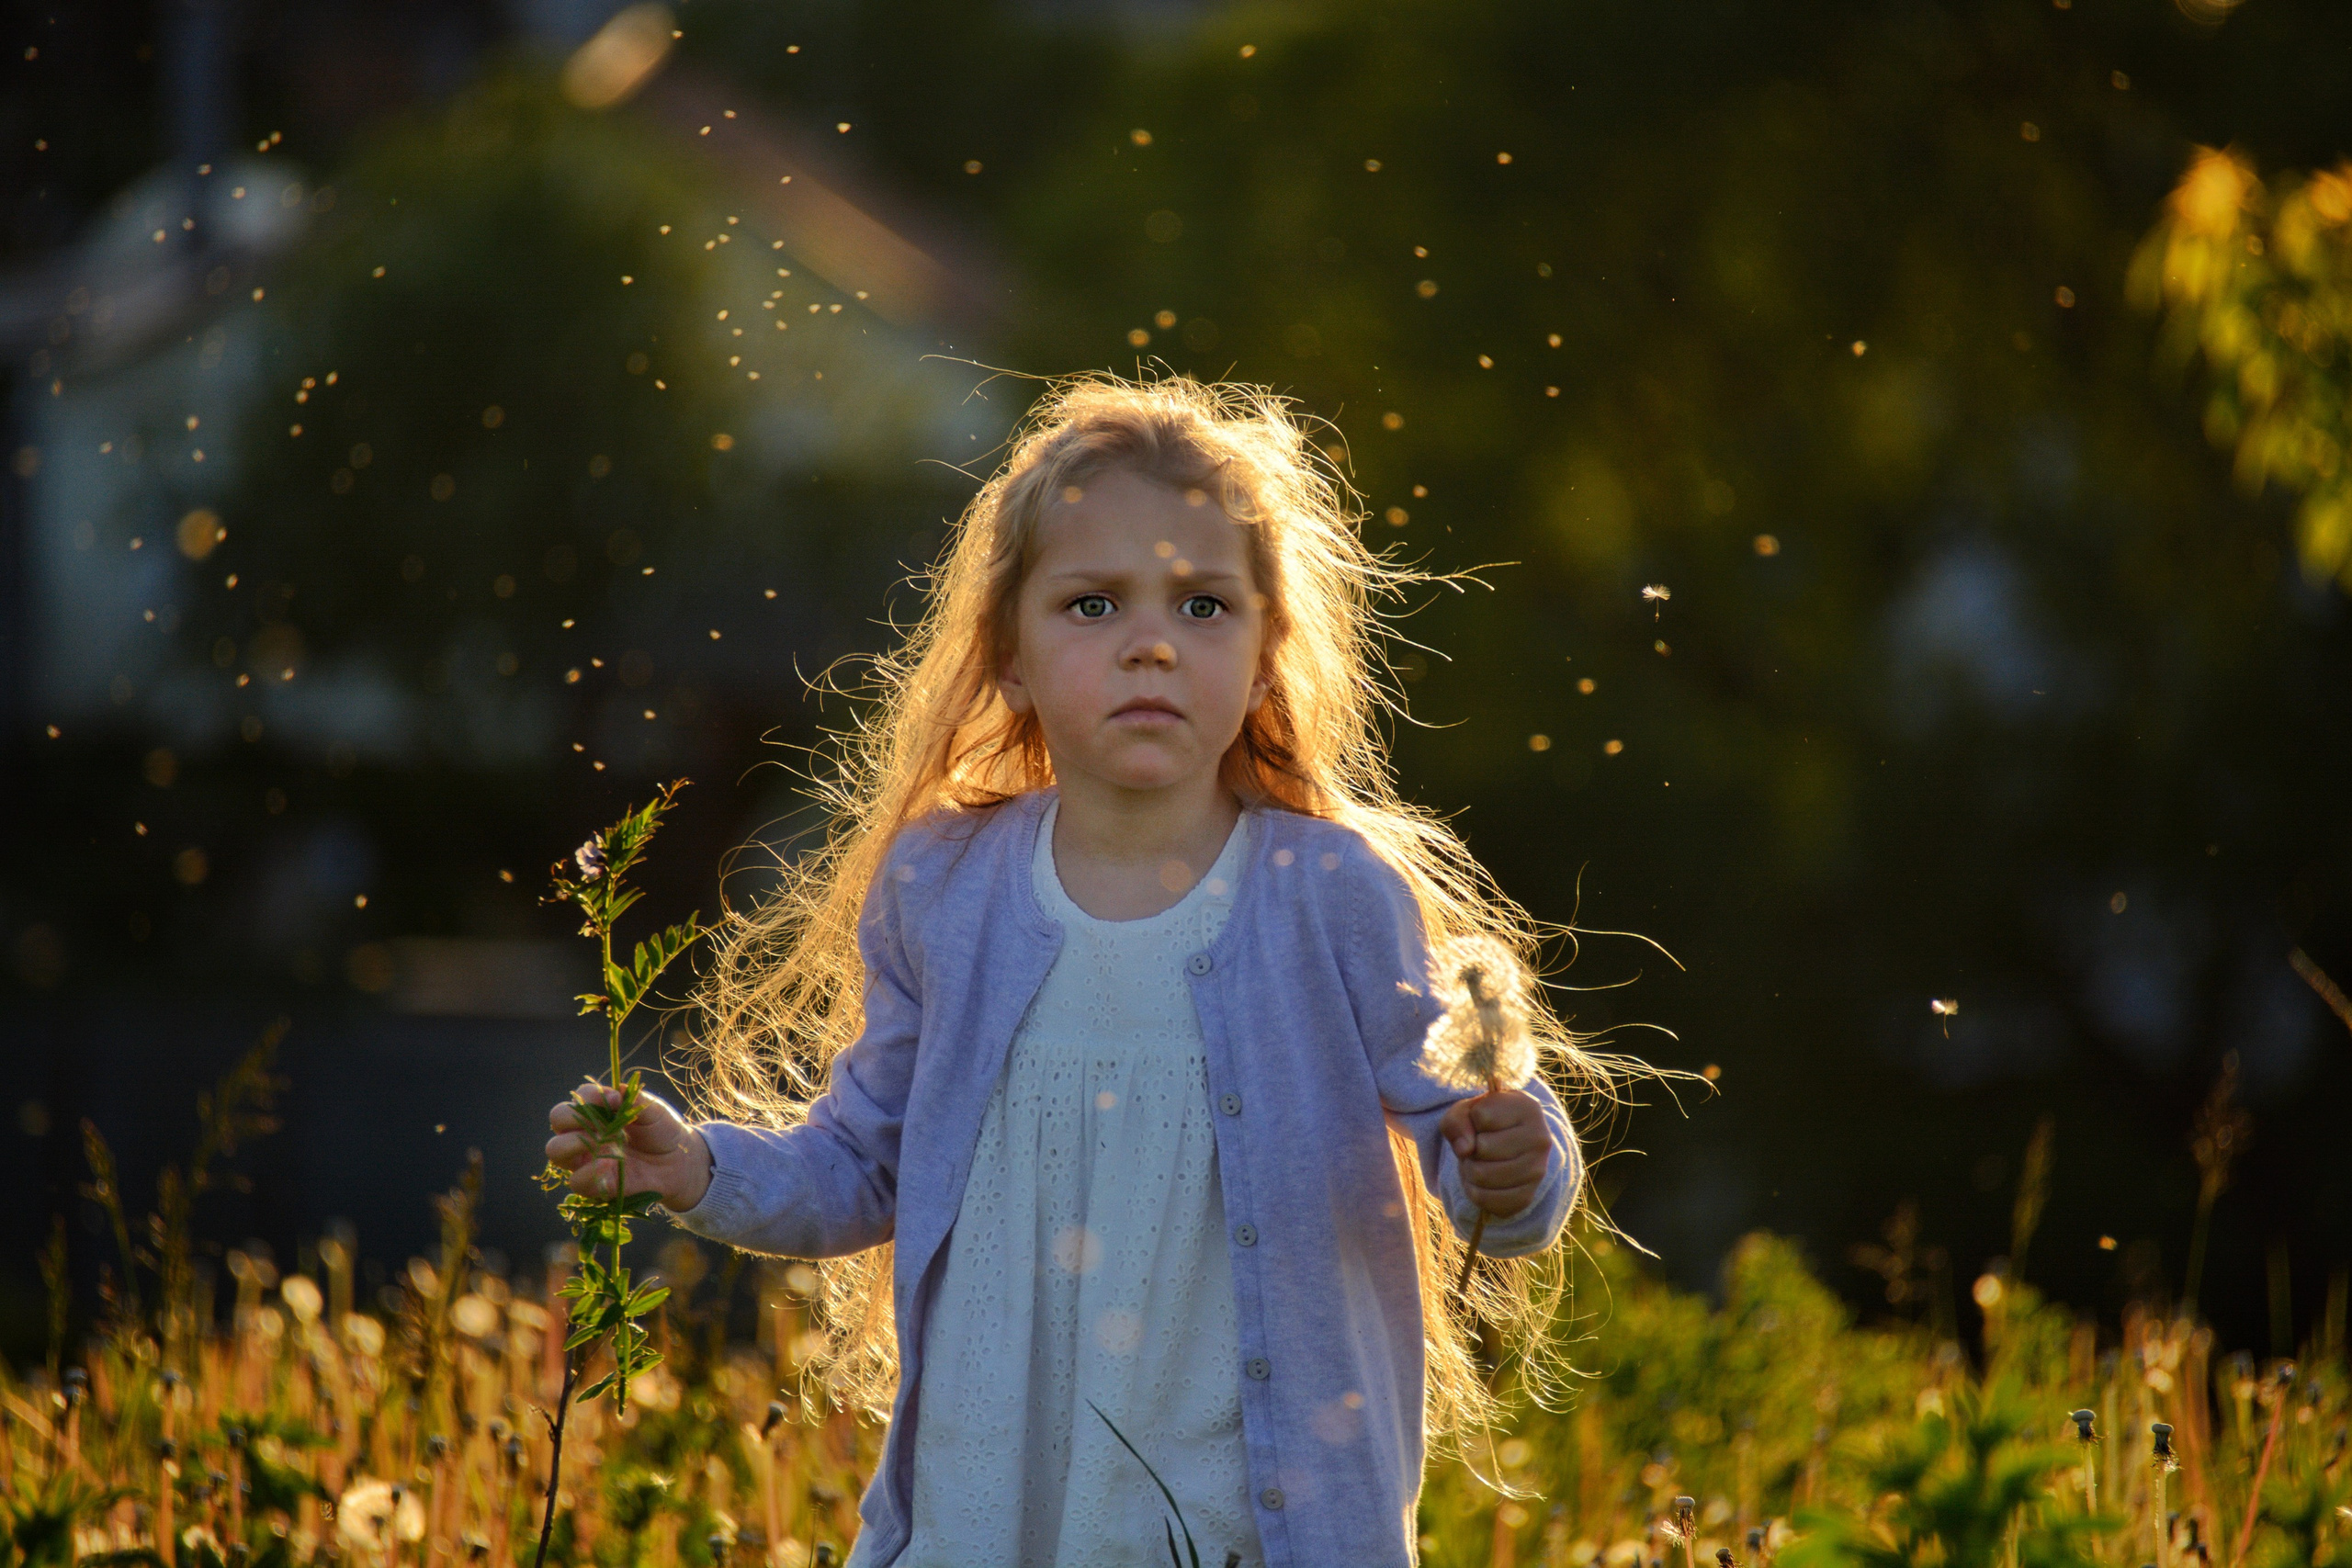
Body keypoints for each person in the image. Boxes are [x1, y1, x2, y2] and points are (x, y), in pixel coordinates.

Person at [543, 376, 1620, 1567]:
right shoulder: (946, 888)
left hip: (1242, 1528)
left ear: (1269, 657)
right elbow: (862, 1163)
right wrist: (697, 1166)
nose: (1153, 640)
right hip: (990, 1521)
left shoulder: (1328, 895)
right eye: (1095, 603)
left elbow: (1475, 1168)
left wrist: (1515, 1165)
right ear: (1008, 657)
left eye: (1205, 606)